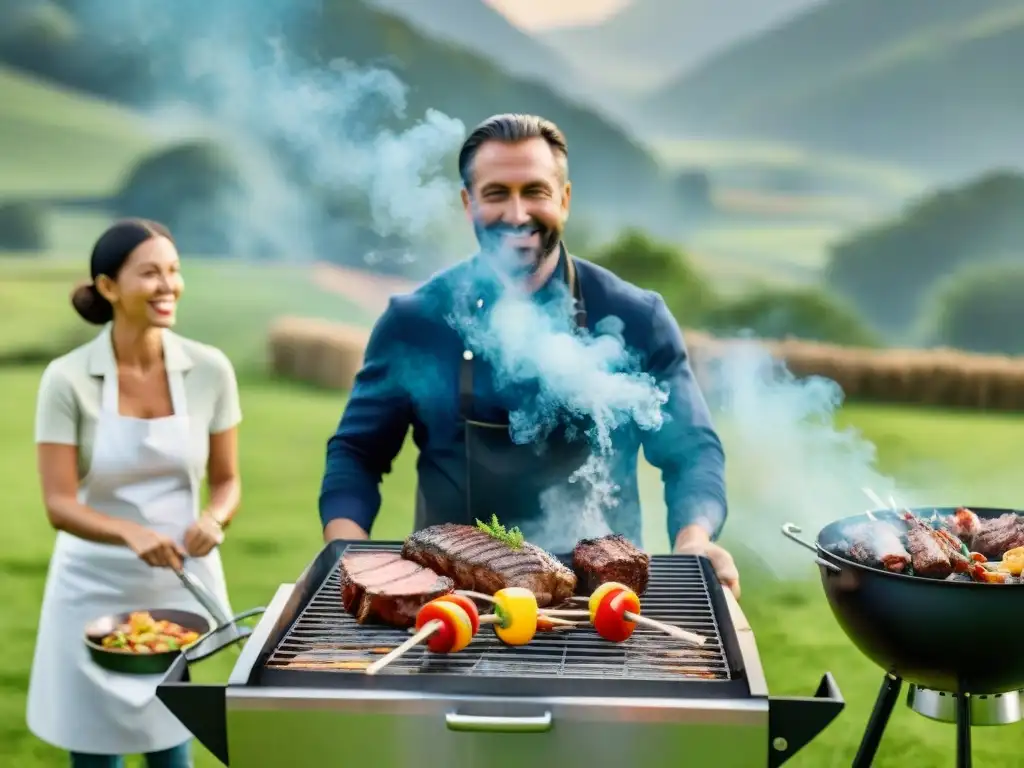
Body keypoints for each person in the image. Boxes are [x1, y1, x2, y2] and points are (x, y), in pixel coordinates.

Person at [319, 113, 740, 598]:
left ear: (563, 199)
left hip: (606, 602)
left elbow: (692, 452)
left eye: (535, 192)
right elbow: (357, 452)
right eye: (497, 193)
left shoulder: (635, 316)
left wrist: (695, 540)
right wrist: (345, 551)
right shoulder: (415, 321)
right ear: (468, 203)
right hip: (451, 604)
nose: (517, 214)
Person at [26, 219, 243, 768]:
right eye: (150, 272)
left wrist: (214, 520)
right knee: (94, 749)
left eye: (173, 270)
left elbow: (227, 481)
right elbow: (59, 504)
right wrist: (129, 532)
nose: (168, 284)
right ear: (107, 286)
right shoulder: (67, 378)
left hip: (172, 588)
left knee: (170, 743)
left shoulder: (210, 369)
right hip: (90, 590)